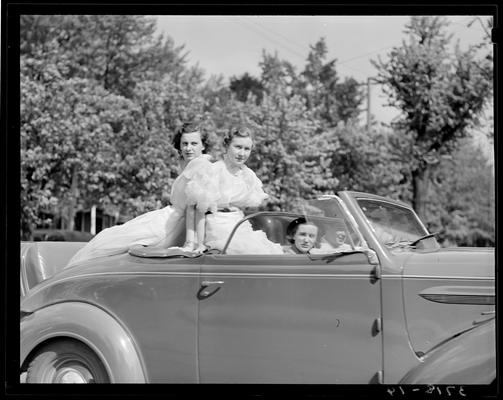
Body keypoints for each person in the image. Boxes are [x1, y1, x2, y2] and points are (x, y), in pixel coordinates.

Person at [66, 122, 216, 267]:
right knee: (112, 237)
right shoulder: (190, 164)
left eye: (194, 144)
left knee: (112, 240)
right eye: (185, 144)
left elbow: (196, 208)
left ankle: (74, 268)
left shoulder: (201, 165)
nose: (188, 148)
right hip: (169, 218)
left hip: (170, 225)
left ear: (203, 145)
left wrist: (192, 243)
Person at [203, 126, 283, 255]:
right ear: (227, 145)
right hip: (217, 225)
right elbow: (200, 209)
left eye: (247, 149)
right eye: (238, 147)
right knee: (246, 251)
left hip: (240, 224)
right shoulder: (214, 170)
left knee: (269, 251)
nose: (242, 153)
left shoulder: (248, 175)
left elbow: (248, 203)